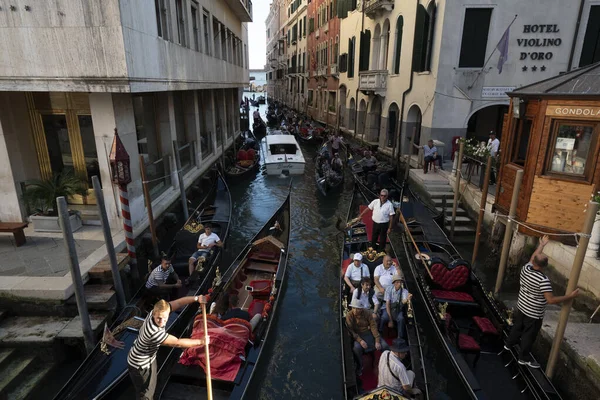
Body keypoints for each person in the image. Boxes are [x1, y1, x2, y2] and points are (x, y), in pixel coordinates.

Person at [504, 235, 579, 368]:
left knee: (517, 327)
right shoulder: (543, 281)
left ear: (534, 263)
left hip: (521, 306)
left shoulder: (525, 269)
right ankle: (524, 358)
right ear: (545, 266)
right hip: (533, 313)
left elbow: (533, 256)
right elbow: (550, 300)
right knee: (529, 335)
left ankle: (509, 344)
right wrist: (569, 296)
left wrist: (542, 245)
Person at [128, 296, 209, 400]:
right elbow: (177, 343)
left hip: (149, 357)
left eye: (165, 318)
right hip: (139, 364)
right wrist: (201, 341)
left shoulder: (158, 310)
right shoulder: (153, 333)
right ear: (153, 314)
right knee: (145, 394)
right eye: (159, 318)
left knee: (152, 385)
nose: (162, 321)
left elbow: (178, 303)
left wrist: (196, 298)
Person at [346, 297, 390, 376]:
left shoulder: (367, 313)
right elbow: (351, 331)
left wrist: (377, 340)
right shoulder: (349, 316)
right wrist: (360, 340)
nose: (355, 311)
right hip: (358, 335)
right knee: (356, 348)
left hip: (368, 333)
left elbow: (373, 326)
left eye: (358, 309)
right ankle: (360, 365)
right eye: (354, 308)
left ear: (361, 309)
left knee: (385, 346)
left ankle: (388, 366)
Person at [380, 274, 412, 340]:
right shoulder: (389, 289)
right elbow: (387, 304)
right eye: (397, 282)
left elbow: (402, 303)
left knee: (401, 319)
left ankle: (400, 337)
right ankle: (380, 333)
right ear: (394, 283)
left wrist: (407, 299)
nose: (399, 284)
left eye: (400, 282)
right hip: (388, 308)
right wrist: (390, 320)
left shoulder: (404, 291)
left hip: (397, 309)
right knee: (384, 317)